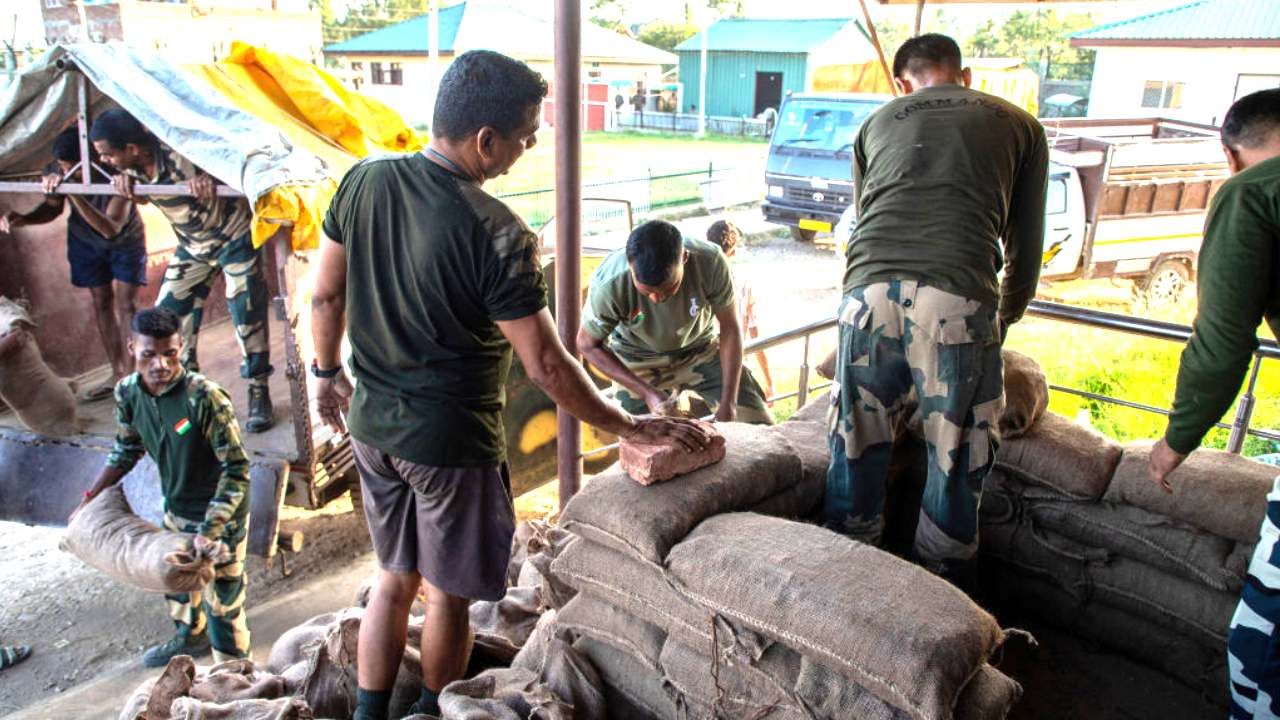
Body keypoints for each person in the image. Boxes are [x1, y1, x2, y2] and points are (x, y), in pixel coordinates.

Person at [310, 50, 709, 720]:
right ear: (484, 140)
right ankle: (441, 709)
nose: (529, 147)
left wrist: (326, 376)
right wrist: (625, 424)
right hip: (449, 445)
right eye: (525, 135)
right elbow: (548, 365)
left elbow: (324, 298)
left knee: (391, 579)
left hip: (374, 430)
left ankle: (369, 713)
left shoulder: (362, 182)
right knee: (447, 596)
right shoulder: (498, 233)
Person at [824, 34, 1048, 581]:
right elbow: (1026, 244)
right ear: (964, 75)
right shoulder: (1019, 124)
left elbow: (865, 217)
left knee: (855, 444)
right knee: (953, 457)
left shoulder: (877, 122)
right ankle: (937, 603)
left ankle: (841, 582)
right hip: (957, 297)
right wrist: (1002, 321)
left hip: (866, 295)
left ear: (903, 84)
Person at [1145, 89, 1280, 720]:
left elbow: (1223, 339)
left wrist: (1176, 441)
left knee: (1264, 649)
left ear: (1230, 155)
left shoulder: (1253, 191)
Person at [74, 307, 252, 668]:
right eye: (149, 355)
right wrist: (90, 499)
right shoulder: (127, 393)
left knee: (223, 606)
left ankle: (238, 678)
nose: (161, 365)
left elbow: (236, 469)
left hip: (222, 517)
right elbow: (126, 448)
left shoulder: (205, 398)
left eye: (171, 353)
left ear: (182, 347)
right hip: (175, 509)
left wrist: (210, 531)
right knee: (177, 584)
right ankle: (190, 637)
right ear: (131, 349)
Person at [89, 109, 274, 432]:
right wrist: (125, 187)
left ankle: (259, 389)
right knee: (166, 320)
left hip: (234, 237)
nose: (105, 161)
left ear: (132, 148)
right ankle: (188, 395)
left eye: (108, 154)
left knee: (246, 312)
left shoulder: (183, 150)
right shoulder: (131, 172)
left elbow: (243, 160)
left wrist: (212, 176)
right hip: (193, 247)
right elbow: (114, 223)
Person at [578, 219, 774, 425]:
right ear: (629, 265)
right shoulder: (609, 284)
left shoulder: (711, 261)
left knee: (759, 427)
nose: (656, 299)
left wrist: (729, 403)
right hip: (637, 361)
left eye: (668, 288)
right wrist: (647, 393)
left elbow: (730, 328)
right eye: (646, 291)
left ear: (685, 258)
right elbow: (587, 345)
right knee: (645, 441)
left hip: (701, 349)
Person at [1, 127, 146, 400]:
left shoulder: (116, 171)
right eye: (63, 167)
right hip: (84, 241)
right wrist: (23, 218)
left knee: (127, 304)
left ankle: (131, 376)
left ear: (92, 161)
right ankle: (116, 373)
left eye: (73, 168)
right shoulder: (57, 169)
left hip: (124, 238)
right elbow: (52, 208)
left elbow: (110, 228)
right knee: (101, 301)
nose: (66, 172)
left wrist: (74, 191)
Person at [707, 219, 775, 400]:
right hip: (736, 369)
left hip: (705, 374)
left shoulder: (698, 285)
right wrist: (769, 381)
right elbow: (755, 335)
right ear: (734, 251)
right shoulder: (743, 285)